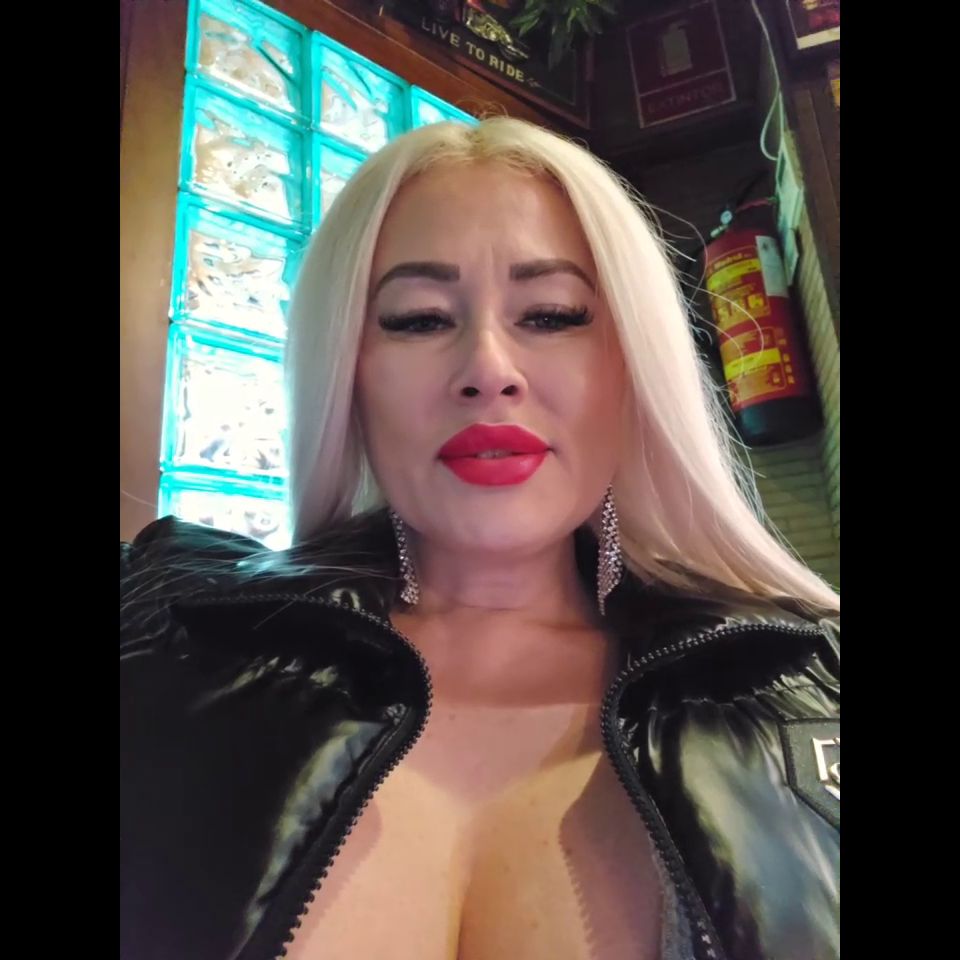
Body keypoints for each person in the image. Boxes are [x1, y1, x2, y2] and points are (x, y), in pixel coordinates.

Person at [120, 116, 840, 960]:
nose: (489, 368)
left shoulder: (810, 685)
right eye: (419, 319)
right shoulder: (165, 635)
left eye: (553, 314)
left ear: (633, 364)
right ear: (345, 372)